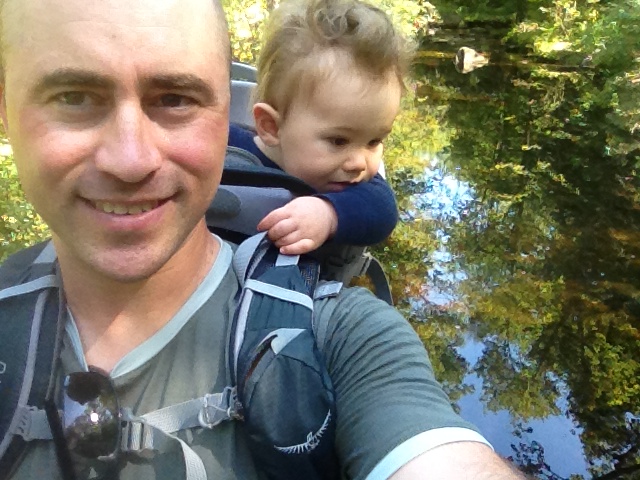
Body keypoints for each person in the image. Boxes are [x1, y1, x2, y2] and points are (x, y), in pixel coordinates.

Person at [0, 0, 527, 478]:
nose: (132, 160)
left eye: (176, 100)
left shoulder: (340, 334)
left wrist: (329, 213)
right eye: (73, 97)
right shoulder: (243, 145)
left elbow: (379, 211)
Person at [228, 0, 404, 255]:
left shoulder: (358, 189)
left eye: (374, 141)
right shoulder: (225, 147)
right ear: (272, 127)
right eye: (339, 141)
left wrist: (329, 214)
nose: (359, 163)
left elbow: (383, 212)